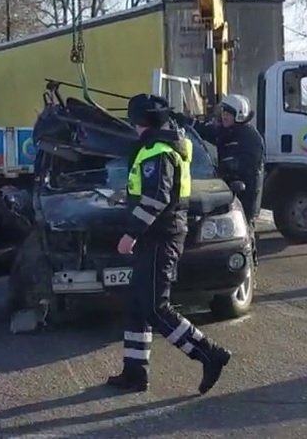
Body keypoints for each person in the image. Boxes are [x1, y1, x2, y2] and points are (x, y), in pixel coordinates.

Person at [107, 93, 232, 395]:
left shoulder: (158, 151)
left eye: (133, 120)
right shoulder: (160, 146)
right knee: (138, 307)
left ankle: (209, 353)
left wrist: (130, 234)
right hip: (157, 236)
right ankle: (135, 373)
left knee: (154, 308)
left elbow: (157, 198)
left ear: (141, 122)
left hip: (159, 239)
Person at [193, 94, 265, 226]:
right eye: (223, 113)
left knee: (243, 233)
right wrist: (187, 122)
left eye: (228, 114)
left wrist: (221, 168)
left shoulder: (250, 137)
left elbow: (246, 166)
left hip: (244, 198)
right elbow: (209, 132)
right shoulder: (228, 131)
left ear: (239, 115)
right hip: (229, 195)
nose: (224, 117)